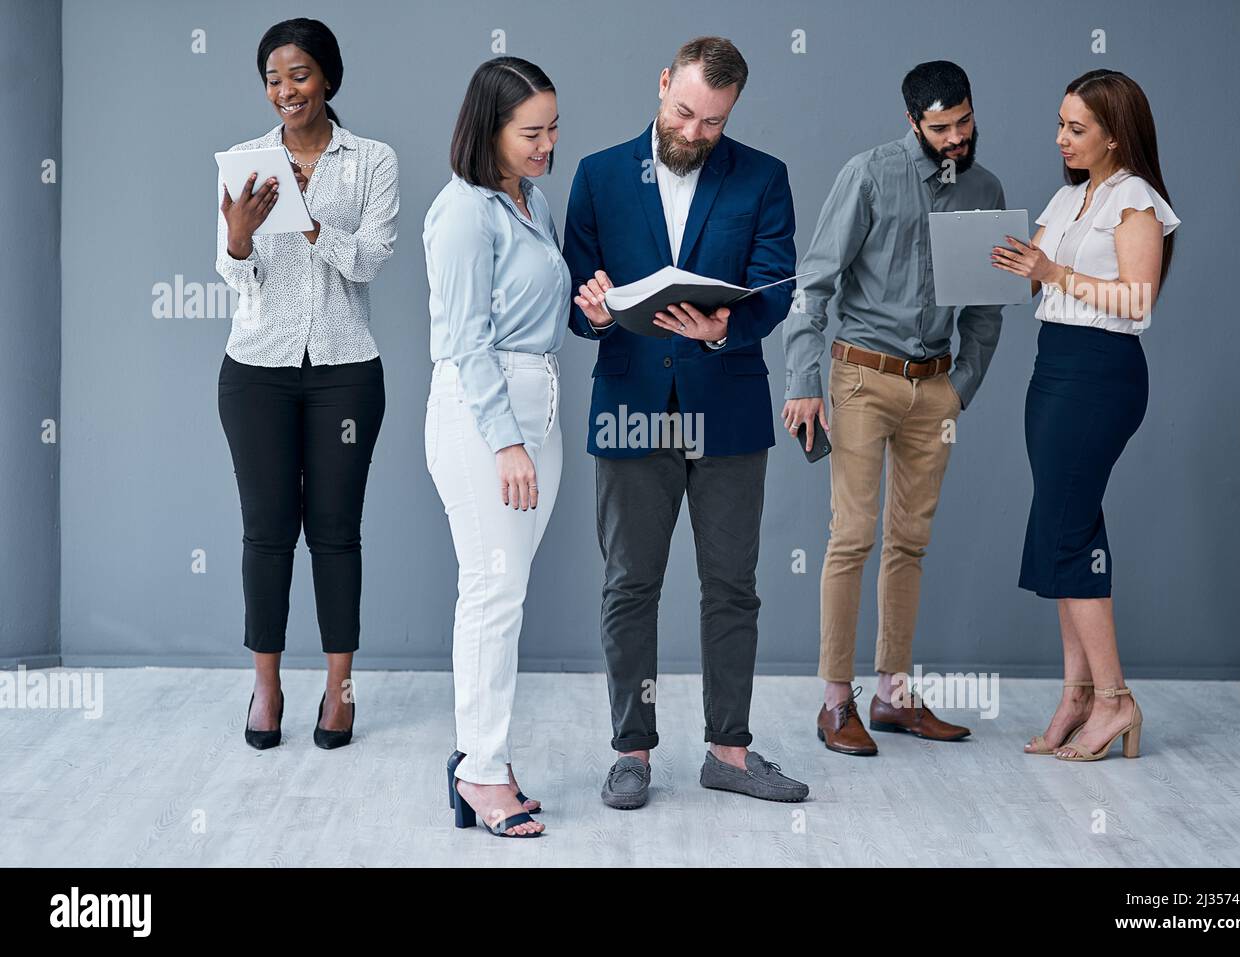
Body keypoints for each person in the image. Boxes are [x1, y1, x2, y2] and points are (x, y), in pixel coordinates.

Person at [565, 36, 808, 809]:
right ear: (664, 82)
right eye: (684, 112)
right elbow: (577, 288)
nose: (694, 133)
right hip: (632, 407)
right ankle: (631, 750)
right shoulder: (599, 175)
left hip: (728, 409)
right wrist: (597, 311)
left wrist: (724, 331)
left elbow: (774, 284)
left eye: (712, 122)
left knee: (732, 586)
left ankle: (728, 752)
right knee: (631, 583)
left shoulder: (764, 176)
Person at [782, 61, 1005, 756]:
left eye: (964, 122)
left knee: (911, 540)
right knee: (852, 537)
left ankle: (894, 696)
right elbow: (815, 282)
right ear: (913, 121)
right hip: (860, 377)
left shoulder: (985, 188)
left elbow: (988, 306)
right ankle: (835, 703)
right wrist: (802, 378)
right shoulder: (871, 174)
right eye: (941, 127)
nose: (957, 138)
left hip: (933, 385)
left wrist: (958, 388)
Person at [216, 17, 397, 752]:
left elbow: (372, 260)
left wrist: (312, 221)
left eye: (297, 75)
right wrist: (239, 235)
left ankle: (339, 688)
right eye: (272, 78)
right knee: (266, 533)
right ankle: (266, 686)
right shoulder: (246, 160)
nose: (284, 90)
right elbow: (236, 272)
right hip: (256, 369)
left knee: (334, 532)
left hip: (345, 372)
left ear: (327, 78)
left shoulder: (371, 159)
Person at [991, 69, 1178, 761]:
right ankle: (1077, 694)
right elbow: (1025, 265)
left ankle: (1115, 699)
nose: (1062, 138)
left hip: (1103, 373)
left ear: (1114, 134)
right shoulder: (1071, 197)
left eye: (1077, 128)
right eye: (1061, 124)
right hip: (1054, 365)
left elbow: (1137, 301)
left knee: (1067, 531)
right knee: (1065, 524)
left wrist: (1052, 273)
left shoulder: (1134, 200)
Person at [424, 58, 568, 837]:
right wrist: (507, 440)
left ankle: (484, 760)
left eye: (553, 128)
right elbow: (466, 343)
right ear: (490, 130)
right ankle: (480, 772)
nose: (547, 145)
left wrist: (597, 312)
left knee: (503, 593)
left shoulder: (531, 202)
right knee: (491, 592)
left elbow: (532, 314)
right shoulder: (463, 213)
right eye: (530, 132)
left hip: (535, 401)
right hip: (485, 414)